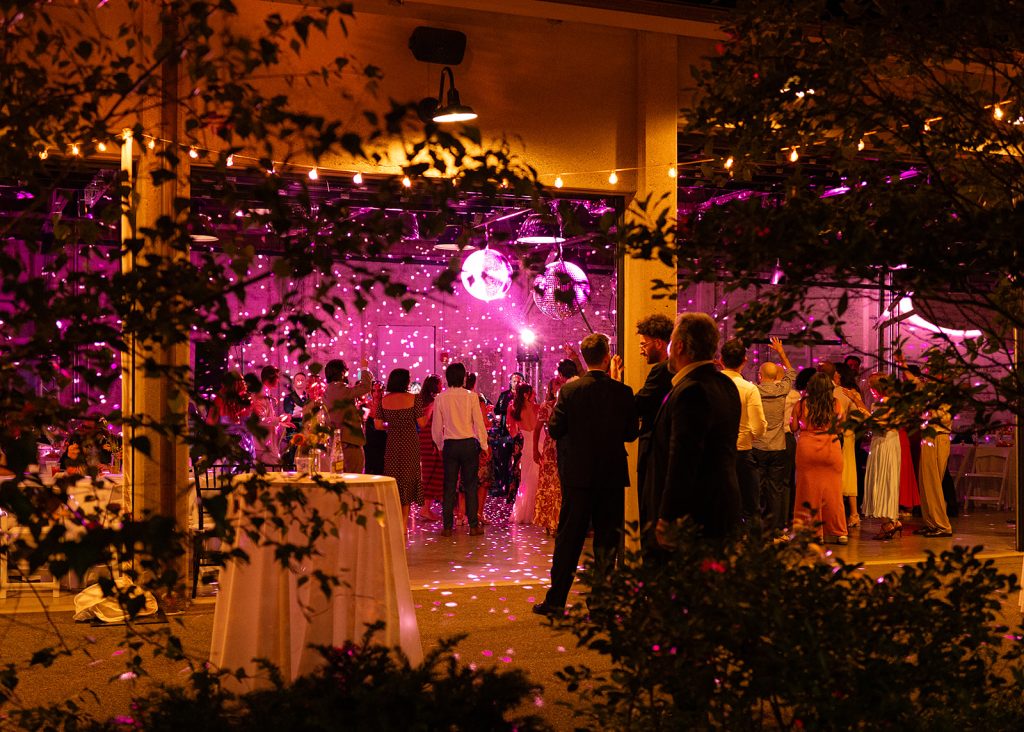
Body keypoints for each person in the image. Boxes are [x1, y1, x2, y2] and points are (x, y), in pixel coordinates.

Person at [533, 333, 638, 617]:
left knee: (569, 537)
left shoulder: (569, 391)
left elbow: (554, 430)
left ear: (584, 357)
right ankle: (601, 604)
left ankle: (556, 600)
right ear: (607, 358)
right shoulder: (622, 392)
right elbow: (630, 434)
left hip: (577, 474)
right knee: (606, 539)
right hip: (612, 474)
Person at [644, 312, 741, 551]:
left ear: (679, 346)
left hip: (694, 516)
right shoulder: (725, 384)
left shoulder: (691, 391)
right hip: (723, 507)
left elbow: (682, 460)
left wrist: (668, 516)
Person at [432, 362, 490, 537]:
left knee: (449, 486)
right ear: (463, 377)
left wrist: (440, 445)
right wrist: (484, 445)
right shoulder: (471, 397)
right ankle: (473, 525)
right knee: (471, 485)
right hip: (468, 444)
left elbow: (437, 427)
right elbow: (479, 423)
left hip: (450, 444)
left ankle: (447, 527)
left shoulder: (441, 398)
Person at [791, 372, 848, 543]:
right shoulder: (836, 404)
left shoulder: (801, 404)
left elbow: (793, 427)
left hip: (807, 448)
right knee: (834, 492)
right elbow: (840, 429)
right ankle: (840, 532)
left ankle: (814, 533)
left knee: (807, 491)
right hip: (830, 448)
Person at [631, 313, 675, 527]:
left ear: (658, 343)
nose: (641, 349)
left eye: (643, 344)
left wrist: (615, 381)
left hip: (656, 451)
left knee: (650, 514)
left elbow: (637, 405)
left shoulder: (661, 370)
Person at [720, 338, 767, 525]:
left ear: (721, 360)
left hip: (717, 453)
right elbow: (759, 426)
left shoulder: (712, 384)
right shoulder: (749, 388)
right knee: (750, 505)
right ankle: (750, 547)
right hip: (742, 451)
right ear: (744, 361)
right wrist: (748, 436)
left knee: (721, 503)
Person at [751, 337, 796, 533]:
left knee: (758, 489)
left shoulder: (754, 391)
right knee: (776, 489)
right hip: (779, 446)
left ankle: (760, 528)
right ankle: (777, 527)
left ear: (760, 375)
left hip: (759, 445)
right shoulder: (782, 390)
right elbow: (791, 373)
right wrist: (781, 352)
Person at [375, 368, 423, 535]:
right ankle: (404, 522)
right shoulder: (414, 398)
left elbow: (378, 425)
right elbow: (422, 423)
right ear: (405, 381)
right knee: (408, 479)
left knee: (394, 479)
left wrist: (392, 425)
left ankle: (394, 521)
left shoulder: (384, 400)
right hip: (410, 442)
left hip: (393, 443)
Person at [861, 373, 903, 540]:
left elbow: (882, 425)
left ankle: (887, 523)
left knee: (881, 480)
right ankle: (893, 519)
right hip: (888, 442)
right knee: (887, 480)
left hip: (884, 443)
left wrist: (861, 410)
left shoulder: (886, 403)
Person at [323, 358, 372, 473]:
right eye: (346, 370)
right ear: (342, 372)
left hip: (335, 442)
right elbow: (366, 386)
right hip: (349, 443)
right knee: (355, 480)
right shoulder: (341, 389)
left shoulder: (328, 390)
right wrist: (364, 368)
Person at [834, 362, 868, 528]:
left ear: (839, 375)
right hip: (848, 434)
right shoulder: (851, 392)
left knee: (842, 473)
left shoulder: (840, 392)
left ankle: (848, 513)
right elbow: (860, 417)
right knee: (848, 473)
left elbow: (860, 415)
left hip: (841, 436)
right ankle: (853, 514)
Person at [532, 378, 563, 535]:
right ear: (551, 389)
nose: (558, 387)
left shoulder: (567, 403)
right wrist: (534, 450)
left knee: (559, 486)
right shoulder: (546, 406)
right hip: (551, 448)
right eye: (555, 385)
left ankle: (558, 521)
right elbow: (537, 429)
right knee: (549, 485)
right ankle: (550, 522)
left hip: (564, 447)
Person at [508, 383, 540, 524]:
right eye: (532, 393)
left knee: (526, 479)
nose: (534, 396)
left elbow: (513, 432)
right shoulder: (536, 407)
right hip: (538, 442)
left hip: (526, 445)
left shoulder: (513, 409)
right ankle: (537, 511)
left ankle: (525, 512)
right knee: (537, 477)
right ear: (527, 394)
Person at [491, 372, 524, 498]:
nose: (516, 383)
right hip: (505, 432)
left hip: (520, 433)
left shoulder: (525, 395)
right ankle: (504, 486)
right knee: (503, 461)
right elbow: (497, 410)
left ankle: (517, 488)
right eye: (514, 381)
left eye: (519, 381)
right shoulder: (505, 395)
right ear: (510, 382)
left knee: (518, 462)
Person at [417, 375, 444, 521]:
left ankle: (426, 507)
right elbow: (429, 422)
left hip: (424, 439)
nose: (442, 386)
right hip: (431, 439)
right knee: (432, 473)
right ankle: (425, 508)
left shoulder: (419, 401)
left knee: (430, 473)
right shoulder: (433, 403)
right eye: (440, 383)